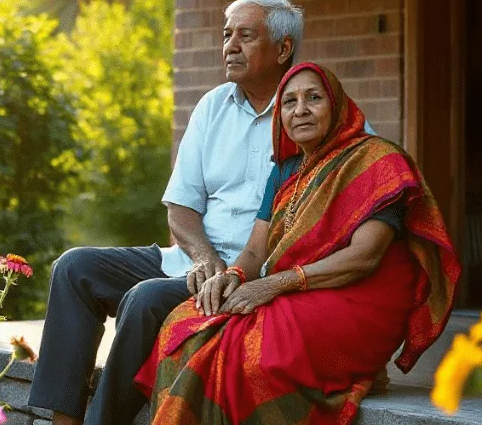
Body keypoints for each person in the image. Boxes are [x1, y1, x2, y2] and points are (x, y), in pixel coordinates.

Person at [28, 0, 306, 425]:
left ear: (283, 49)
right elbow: (181, 208)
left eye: (245, 36)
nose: (230, 46)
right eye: (226, 34)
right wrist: (204, 258)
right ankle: (62, 420)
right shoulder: (213, 106)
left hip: (254, 277)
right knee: (74, 268)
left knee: (145, 298)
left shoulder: (310, 110)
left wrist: (227, 272)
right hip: (194, 261)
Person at [136, 62, 461, 425]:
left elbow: (364, 258)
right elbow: (257, 251)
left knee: (256, 354)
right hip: (299, 292)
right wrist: (233, 275)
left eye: (314, 98)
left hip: (363, 295)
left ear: (336, 105)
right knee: (184, 325)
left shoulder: (378, 162)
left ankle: (356, 365)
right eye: (288, 102)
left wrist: (274, 284)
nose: (300, 110)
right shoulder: (284, 169)